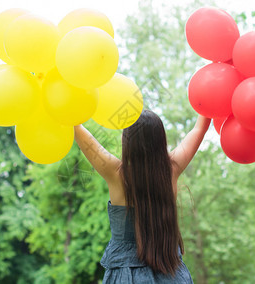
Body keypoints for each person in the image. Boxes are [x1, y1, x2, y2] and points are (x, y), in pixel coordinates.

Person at [74, 109, 211, 283]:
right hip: (171, 274)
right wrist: (210, 100)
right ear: (160, 140)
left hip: (127, 277)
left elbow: (81, 135)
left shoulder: (116, 174)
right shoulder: (171, 169)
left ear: (128, 142)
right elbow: (199, 129)